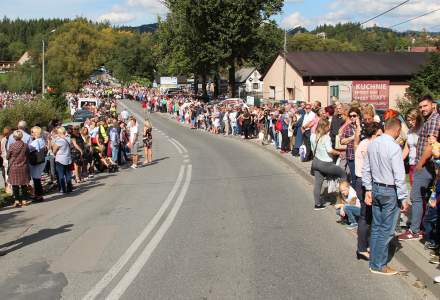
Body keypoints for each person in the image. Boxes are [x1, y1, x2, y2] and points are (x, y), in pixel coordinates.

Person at [362, 118, 407, 275]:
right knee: (386, 230)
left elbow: (366, 168)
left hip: (376, 188)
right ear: (396, 130)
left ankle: (374, 261)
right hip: (390, 190)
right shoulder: (394, 148)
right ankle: (379, 264)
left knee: (376, 226)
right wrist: (403, 197)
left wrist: (368, 188)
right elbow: (399, 175)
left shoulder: (373, 143)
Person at [399, 95, 440, 241]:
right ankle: (424, 228)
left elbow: (431, 145)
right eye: (421, 107)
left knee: (416, 197)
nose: (422, 109)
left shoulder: (434, 120)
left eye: (425, 106)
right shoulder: (429, 120)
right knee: (424, 198)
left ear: (432, 105)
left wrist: (419, 164)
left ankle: (415, 230)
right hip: (425, 165)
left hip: (426, 166)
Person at [354, 122, 383, 261]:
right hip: (364, 183)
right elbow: (369, 165)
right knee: (365, 217)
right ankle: (362, 248)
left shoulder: (366, 142)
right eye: (378, 135)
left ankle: (367, 245)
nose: (381, 137)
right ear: (373, 135)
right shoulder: (367, 145)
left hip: (363, 182)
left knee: (368, 216)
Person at [310, 118, 346, 210]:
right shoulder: (326, 137)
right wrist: (339, 153)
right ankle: (342, 199)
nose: (330, 127)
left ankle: (317, 204)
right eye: (329, 126)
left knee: (318, 184)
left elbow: (312, 148)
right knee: (343, 174)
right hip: (325, 163)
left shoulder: (313, 136)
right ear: (325, 127)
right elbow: (330, 150)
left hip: (316, 162)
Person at [7, 130, 30, 207]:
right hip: (23, 166)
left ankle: (17, 200)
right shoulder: (25, 145)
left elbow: (7, 157)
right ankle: (24, 200)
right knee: (24, 184)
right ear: (21, 136)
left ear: (14, 137)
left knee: (15, 185)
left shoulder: (12, 146)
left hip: (14, 167)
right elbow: (28, 154)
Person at [340, 107, 361, 185]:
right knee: (354, 178)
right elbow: (342, 141)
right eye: (350, 116)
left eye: (354, 115)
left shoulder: (363, 126)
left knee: (361, 179)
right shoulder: (348, 127)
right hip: (351, 157)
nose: (352, 117)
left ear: (358, 116)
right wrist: (353, 137)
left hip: (362, 157)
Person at [402, 108, 423, 185]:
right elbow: (406, 148)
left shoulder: (423, 129)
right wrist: (399, 160)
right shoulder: (409, 131)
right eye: (408, 120)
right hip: (412, 164)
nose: (410, 122)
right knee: (414, 191)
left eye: (412, 120)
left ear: (417, 118)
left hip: (421, 164)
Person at [29, 126, 46, 202]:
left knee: (36, 179)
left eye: (32, 132)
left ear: (35, 133)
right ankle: (38, 195)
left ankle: (38, 195)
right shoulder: (41, 140)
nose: (31, 133)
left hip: (36, 161)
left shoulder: (35, 142)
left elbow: (28, 149)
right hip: (41, 160)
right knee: (37, 178)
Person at [52, 127, 73, 194]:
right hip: (68, 158)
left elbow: (54, 150)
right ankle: (69, 188)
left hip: (60, 159)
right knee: (68, 174)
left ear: (59, 133)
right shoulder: (68, 138)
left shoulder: (59, 140)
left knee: (61, 175)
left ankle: (63, 189)